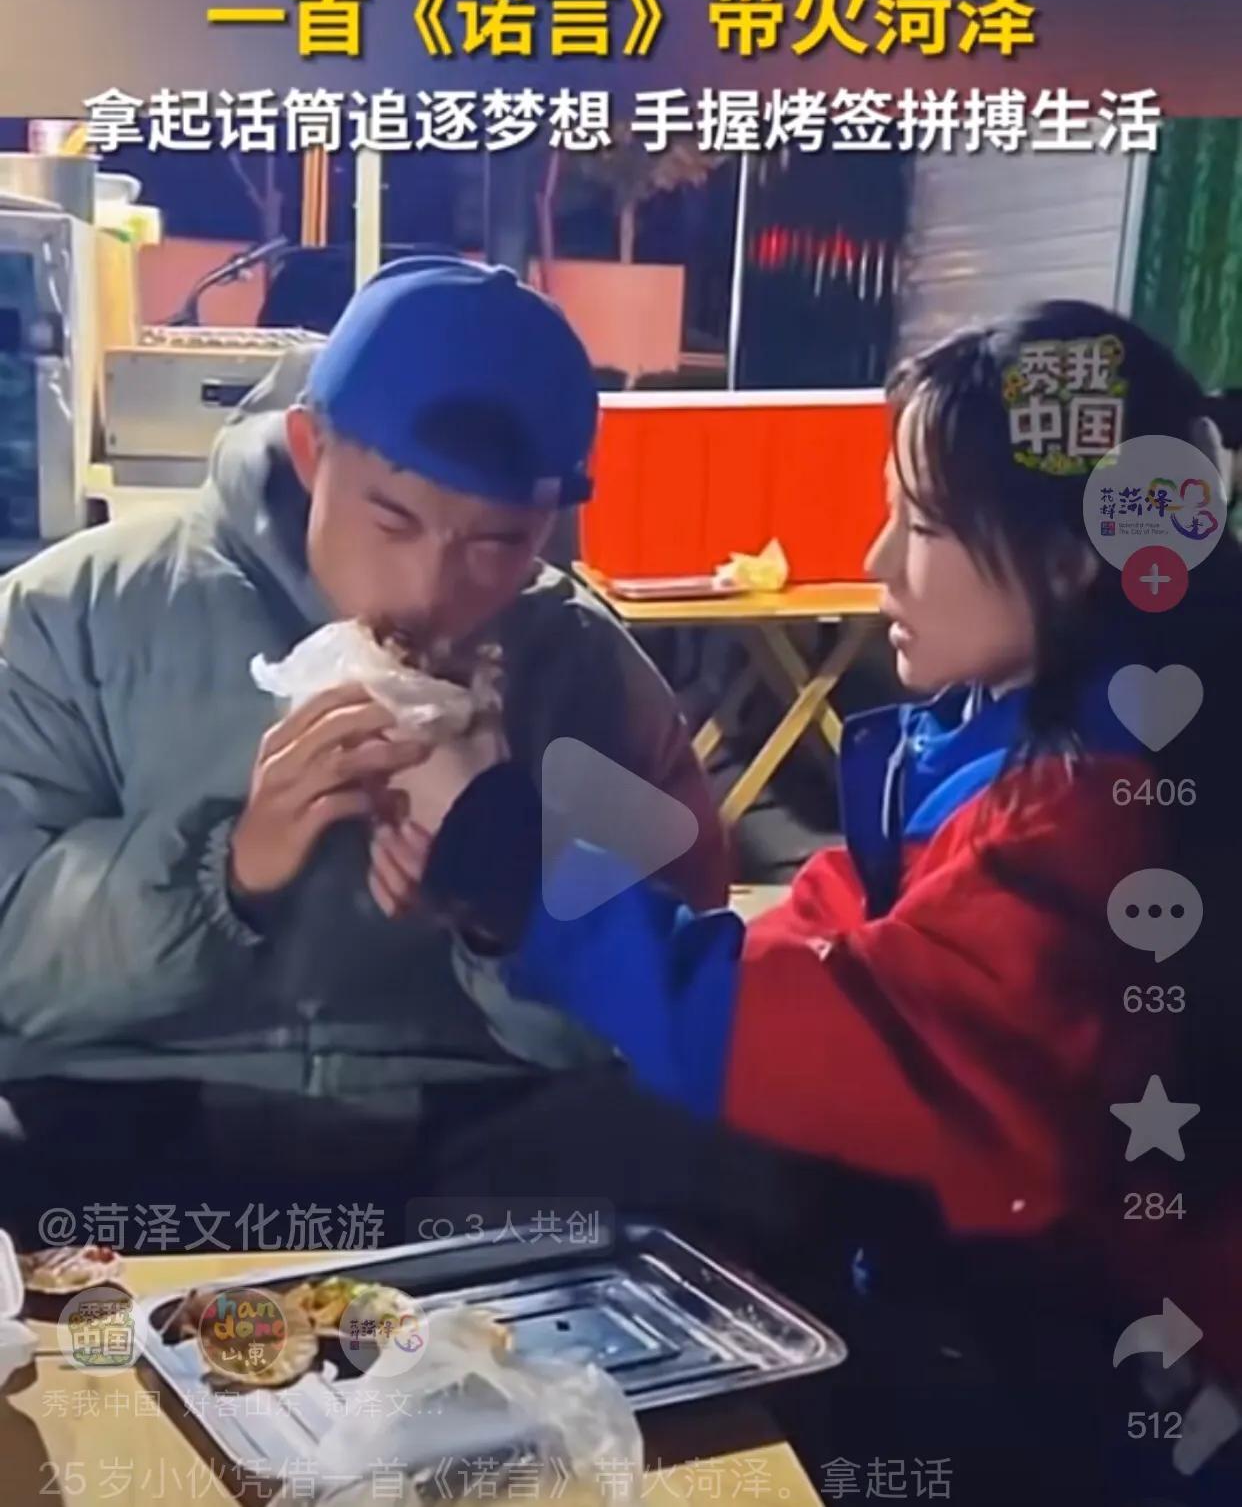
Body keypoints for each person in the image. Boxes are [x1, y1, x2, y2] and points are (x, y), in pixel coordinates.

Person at [396, 302, 1242, 1495]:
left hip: (1121, 1381)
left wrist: (508, 856)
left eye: (925, 525)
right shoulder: (995, 743)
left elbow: (840, 1029)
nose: (879, 560)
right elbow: (815, 944)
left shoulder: (1093, 814)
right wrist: (521, 892)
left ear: (1070, 560)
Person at [0, 255, 726, 1225]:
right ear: (311, 450)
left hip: (464, 1135)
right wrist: (230, 873)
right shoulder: (73, 616)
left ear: (549, 518)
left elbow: (666, 1013)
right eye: (393, 519)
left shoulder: (584, 666)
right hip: (127, 1114)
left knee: (694, 1159)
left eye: (497, 544)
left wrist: (498, 902)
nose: (431, 589)